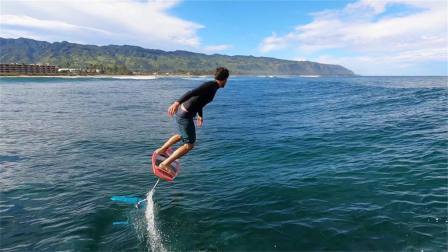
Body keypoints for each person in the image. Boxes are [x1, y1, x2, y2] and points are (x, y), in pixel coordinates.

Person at [155, 67, 230, 175]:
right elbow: (191, 92)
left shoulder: (213, 87)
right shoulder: (210, 85)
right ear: (225, 79)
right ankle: (165, 164)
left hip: (185, 113)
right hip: (185, 115)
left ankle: (161, 150)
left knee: (182, 135)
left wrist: (200, 115)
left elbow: (199, 101)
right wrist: (177, 102)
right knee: (189, 145)